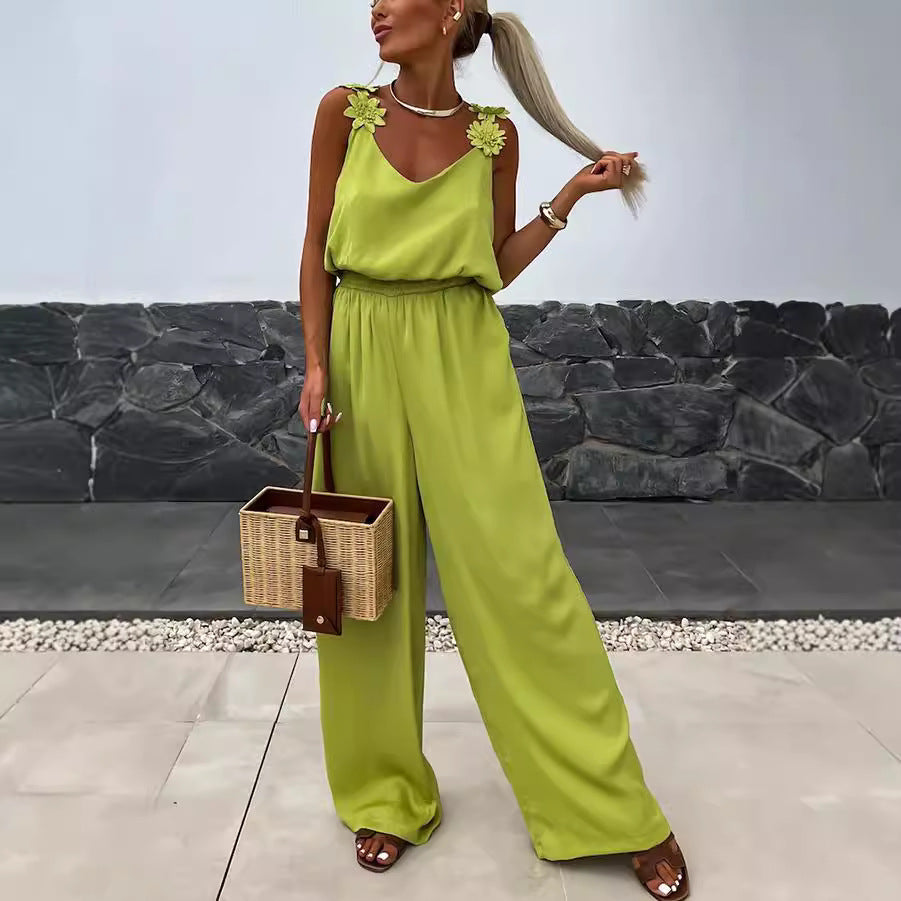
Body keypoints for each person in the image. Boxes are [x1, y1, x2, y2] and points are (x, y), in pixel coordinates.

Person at [296, 2, 689, 898]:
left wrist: (569, 197)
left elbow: (493, 264)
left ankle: (610, 808)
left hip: (461, 348)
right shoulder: (343, 111)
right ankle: (384, 795)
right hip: (360, 347)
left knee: (521, 577)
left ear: (452, 12)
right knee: (365, 583)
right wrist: (316, 364)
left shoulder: (494, 136)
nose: (376, 9)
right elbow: (316, 244)